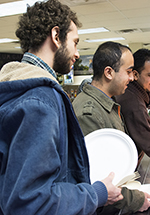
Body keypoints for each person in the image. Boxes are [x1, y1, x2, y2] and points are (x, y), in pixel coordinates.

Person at [0, 0, 123, 214]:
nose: (77, 53)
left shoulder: (14, 85)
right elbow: (31, 203)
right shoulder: (40, 100)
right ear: (56, 36)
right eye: (75, 42)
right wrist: (97, 193)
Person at [73, 41, 150, 214]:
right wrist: (137, 200)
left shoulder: (106, 103)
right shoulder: (90, 113)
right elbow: (99, 181)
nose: (132, 78)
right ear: (109, 72)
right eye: (129, 71)